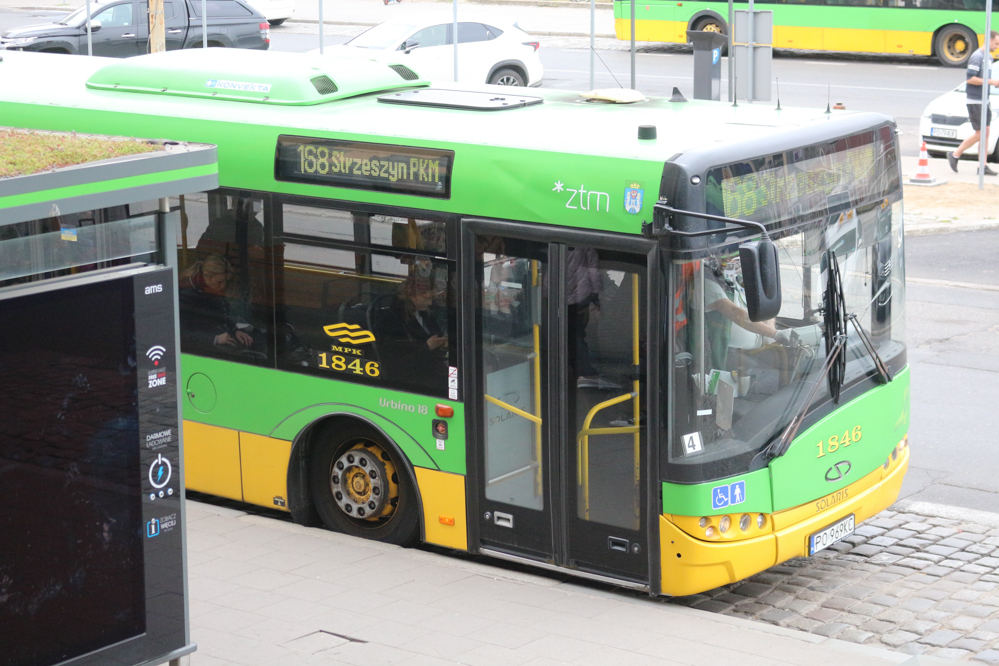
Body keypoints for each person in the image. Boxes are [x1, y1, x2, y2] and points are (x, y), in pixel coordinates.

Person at [373, 275, 448, 390]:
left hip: (430, 367)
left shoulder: (425, 313)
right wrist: (427, 347)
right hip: (409, 377)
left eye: (431, 299)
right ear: (412, 295)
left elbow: (436, 334)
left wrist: (443, 342)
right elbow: (397, 363)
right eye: (426, 298)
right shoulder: (392, 320)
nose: (430, 303)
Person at [178, 255, 258, 355]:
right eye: (220, 282)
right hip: (203, 349)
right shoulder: (187, 294)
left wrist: (235, 331)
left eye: (225, 282)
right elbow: (182, 332)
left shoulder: (211, 289)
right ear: (207, 276)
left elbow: (222, 317)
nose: (223, 286)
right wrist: (215, 339)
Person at [947, 30, 999, 175]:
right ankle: (955, 154)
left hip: (984, 100)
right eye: (996, 43)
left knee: (986, 133)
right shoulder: (977, 57)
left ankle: (983, 166)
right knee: (981, 133)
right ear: (988, 40)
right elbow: (970, 79)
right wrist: (992, 81)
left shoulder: (989, 57)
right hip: (975, 100)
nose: (997, 46)